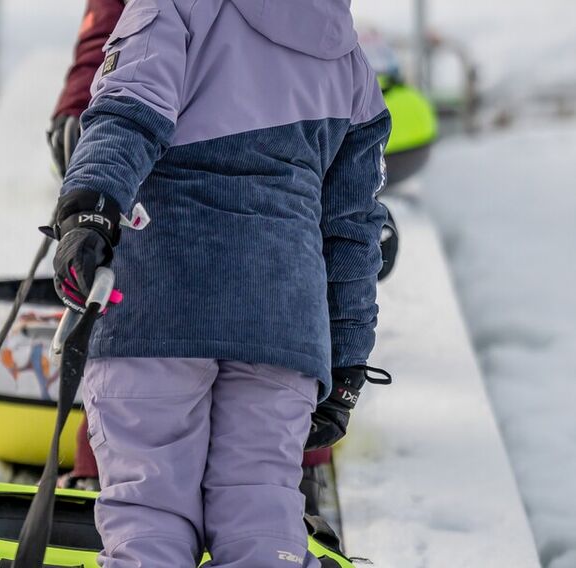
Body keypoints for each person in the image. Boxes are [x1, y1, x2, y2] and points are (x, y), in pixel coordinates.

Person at [45, 0, 391, 565]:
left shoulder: (171, 7)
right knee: (262, 517)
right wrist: (348, 362)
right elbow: (353, 228)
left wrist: (87, 212)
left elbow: (125, 114)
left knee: (148, 516)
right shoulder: (345, 53)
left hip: (159, 305)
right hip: (281, 323)